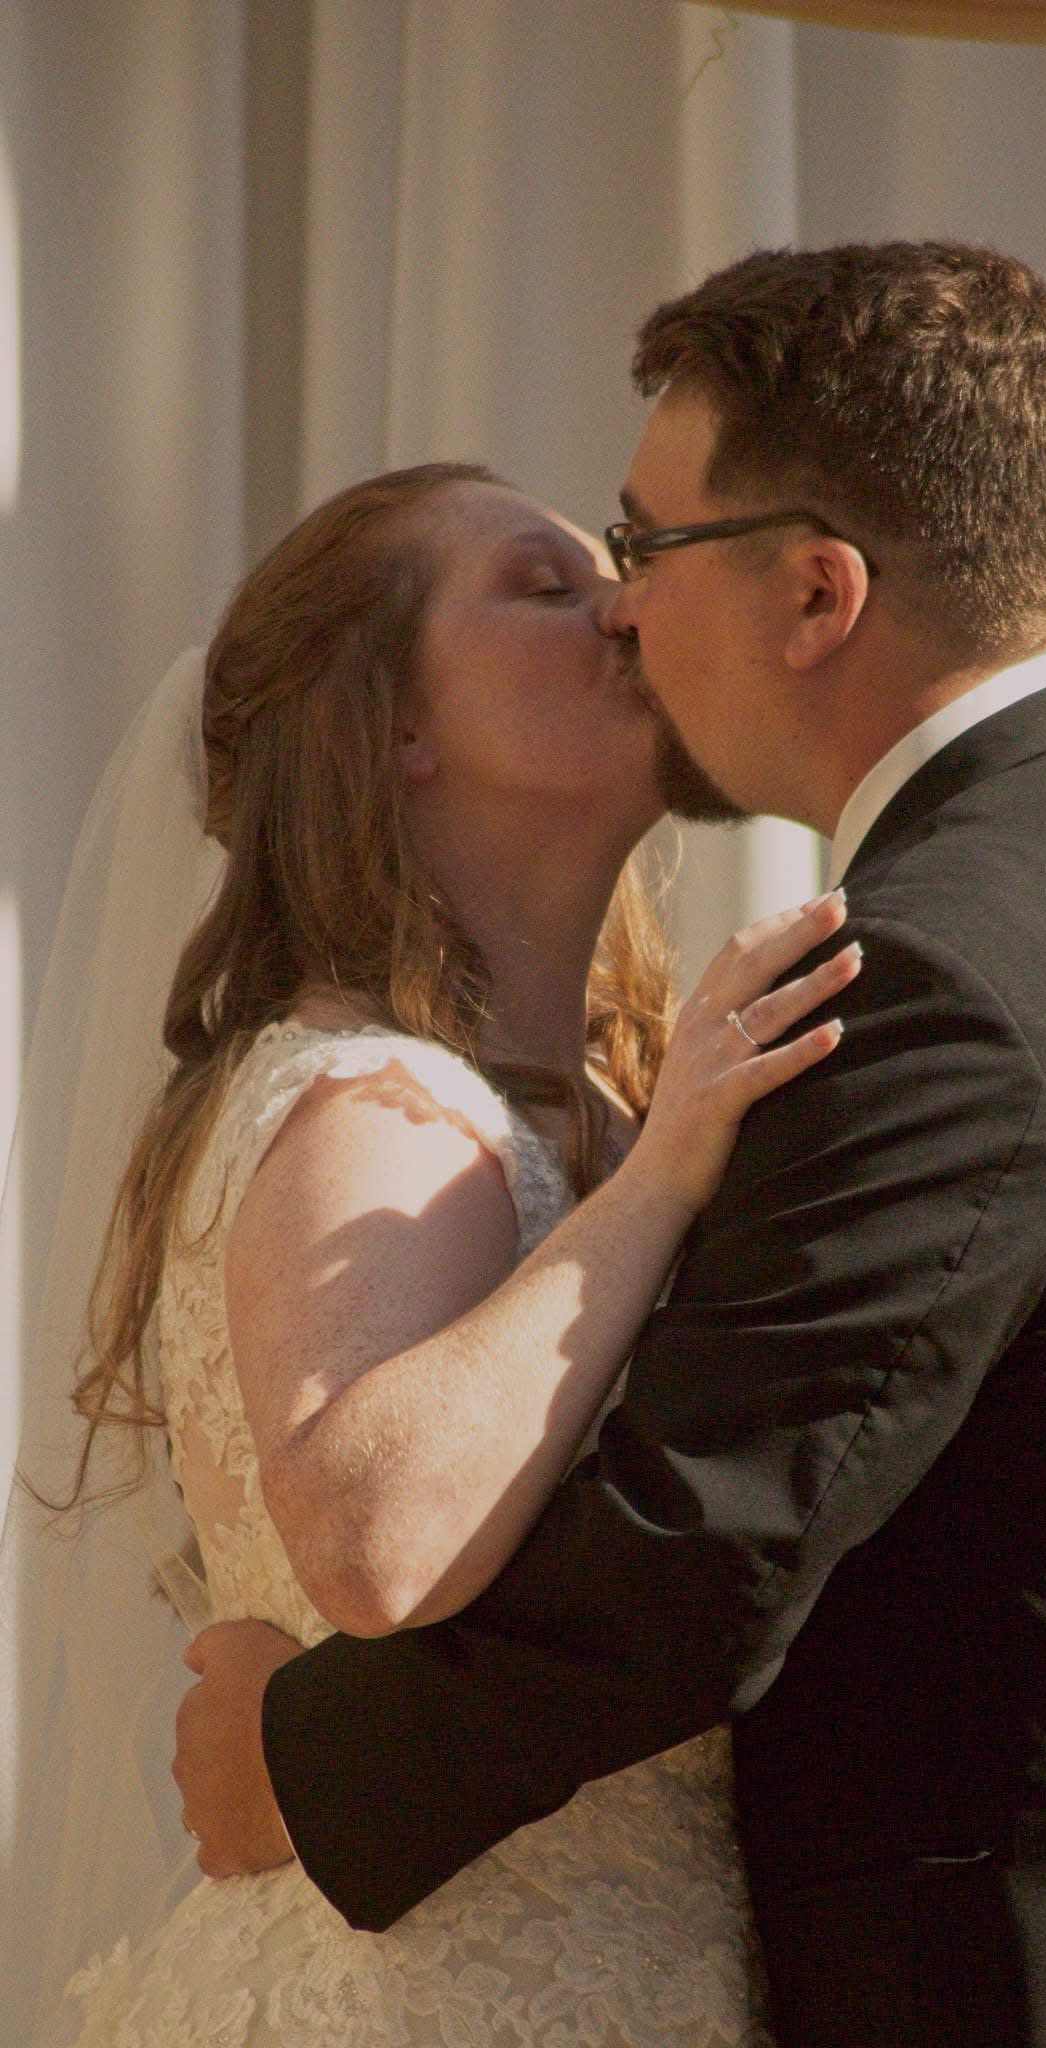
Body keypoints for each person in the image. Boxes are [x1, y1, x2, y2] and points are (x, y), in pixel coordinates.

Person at [177, 240, 1046, 2048]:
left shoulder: (945, 968)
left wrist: (299, 1765)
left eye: (641, 542)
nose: (623, 609)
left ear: (817, 594)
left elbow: (705, 1536)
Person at [0, 458, 860, 2047]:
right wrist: (664, 1177)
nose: (624, 609)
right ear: (392, 727)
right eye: (542, 588)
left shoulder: (605, 1101)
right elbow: (376, 1541)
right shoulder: (372, 1105)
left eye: (609, 571)